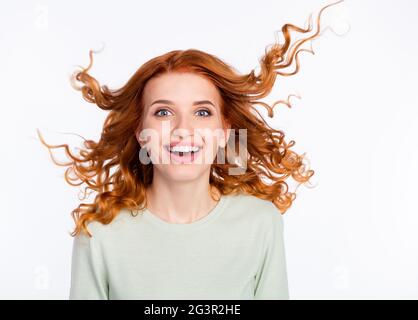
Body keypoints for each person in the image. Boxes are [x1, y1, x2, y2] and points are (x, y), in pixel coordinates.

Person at [38, 1, 342, 300]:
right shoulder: (98, 234)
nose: (184, 129)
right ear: (140, 133)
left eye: (202, 113)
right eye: (163, 113)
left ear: (224, 132)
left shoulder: (261, 223)